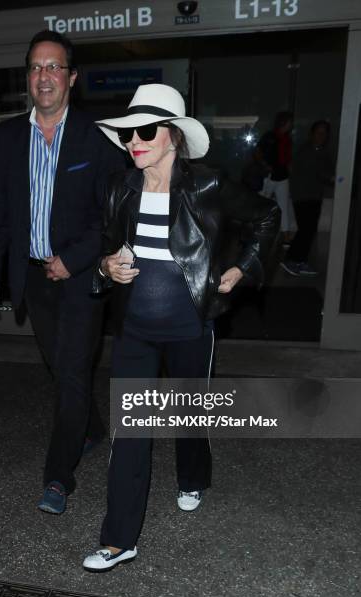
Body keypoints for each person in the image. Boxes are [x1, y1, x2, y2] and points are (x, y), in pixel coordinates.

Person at [82, 84, 280, 571]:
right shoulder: (119, 187)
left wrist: (242, 269)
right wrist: (106, 269)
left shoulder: (206, 185)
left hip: (192, 323)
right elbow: (105, 251)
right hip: (134, 329)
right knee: (131, 432)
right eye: (129, 133)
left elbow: (266, 216)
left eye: (145, 131)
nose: (134, 142)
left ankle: (192, 477)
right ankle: (119, 538)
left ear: (172, 136)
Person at [0, 30, 123, 515]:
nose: (45, 76)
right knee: (63, 370)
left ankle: (58, 478)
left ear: (72, 78)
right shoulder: (8, 136)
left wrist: (76, 258)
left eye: (54, 67)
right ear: (28, 78)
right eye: (37, 67)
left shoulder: (96, 138)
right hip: (33, 279)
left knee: (73, 376)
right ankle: (94, 428)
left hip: (81, 278)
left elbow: (111, 216)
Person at [281, 120, 334, 276]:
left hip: (312, 195)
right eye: (319, 132)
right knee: (306, 230)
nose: (322, 136)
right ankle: (291, 260)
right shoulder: (309, 152)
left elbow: (325, 171)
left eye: (325, 133)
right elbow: (322, 173)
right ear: (312, 134)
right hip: (304, 197)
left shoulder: (320, 151)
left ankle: (299, 261)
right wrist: (337, 178)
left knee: (308, 230)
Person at [258, 111, 294, 241]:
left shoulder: (287, 139)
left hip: (282, 175)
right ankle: (259, 228)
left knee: (283, 205)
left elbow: (287, 157)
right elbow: (258, 152)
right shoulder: (270, 136)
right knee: (263, 202)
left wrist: (289, 167)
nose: (291, 125)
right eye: (289, 122)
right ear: (283, 122)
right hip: (269, 175)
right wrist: (264, 165)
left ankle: (285, 233)